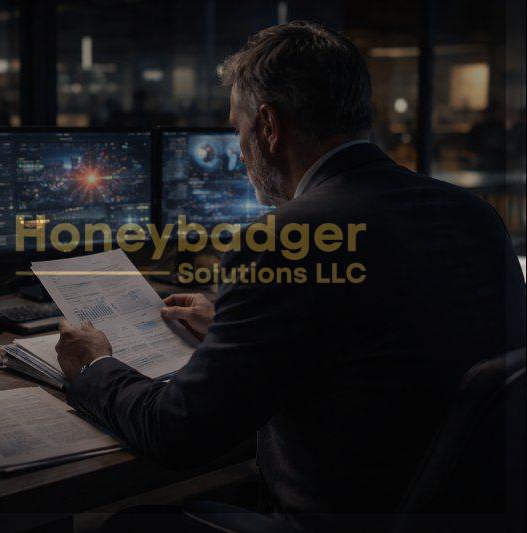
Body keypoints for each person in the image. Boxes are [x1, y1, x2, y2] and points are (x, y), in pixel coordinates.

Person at [54, 21, 526, 532]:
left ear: (270, 127)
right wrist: (235, 329)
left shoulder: (283, 239)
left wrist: (95, 366)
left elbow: (177, 434)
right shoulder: (474, 215)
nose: (239, 150)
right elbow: (385, 340)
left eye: (238, 130)